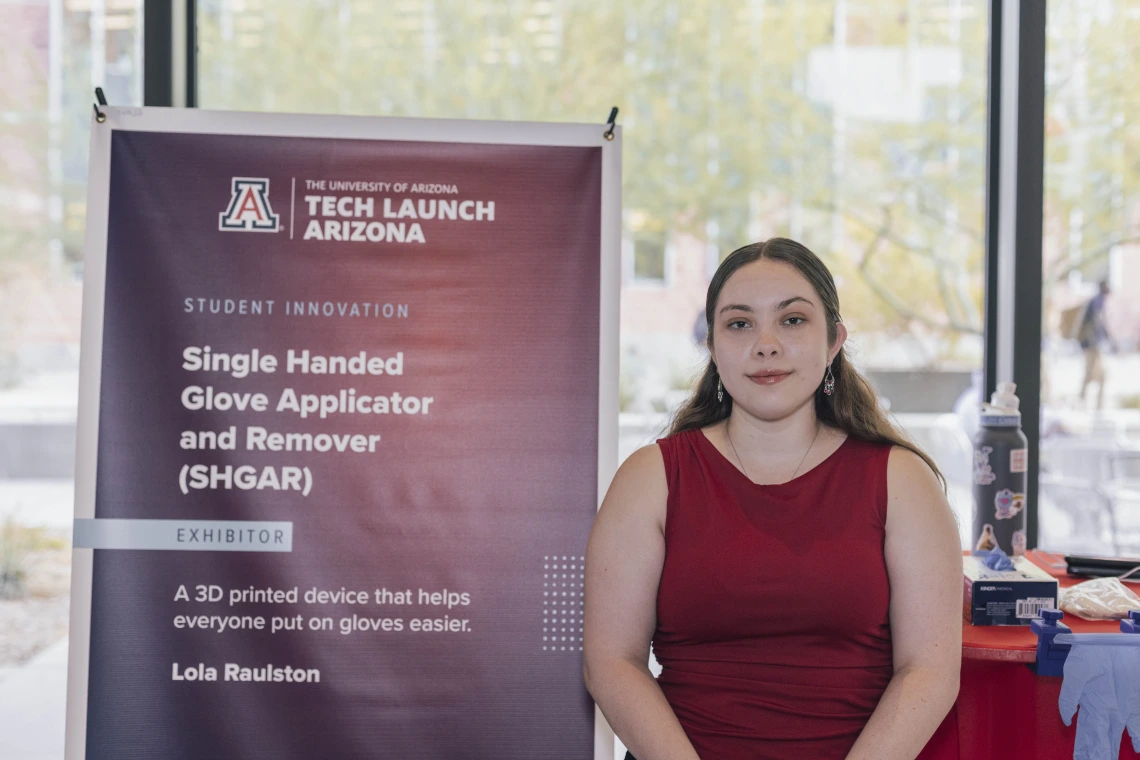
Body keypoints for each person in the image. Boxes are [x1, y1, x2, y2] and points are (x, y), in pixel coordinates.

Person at [583, 239, 962, 760]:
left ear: (833, 342)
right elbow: (612, 662)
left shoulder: (902, 481)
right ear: (712, 347)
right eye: (739, 324)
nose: (765, 344)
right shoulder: (651, 478)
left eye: (792, 321)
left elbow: (929, 671)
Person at [1077, 281, 1112, 411]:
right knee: (1096, 373)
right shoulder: (1097, 301)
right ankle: (1089, 402)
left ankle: (1088, 401)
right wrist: (1107, 335)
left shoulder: (1095, 301)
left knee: (1094, 374)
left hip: (1091, 344)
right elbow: (1098, 321)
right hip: (1092, 345)